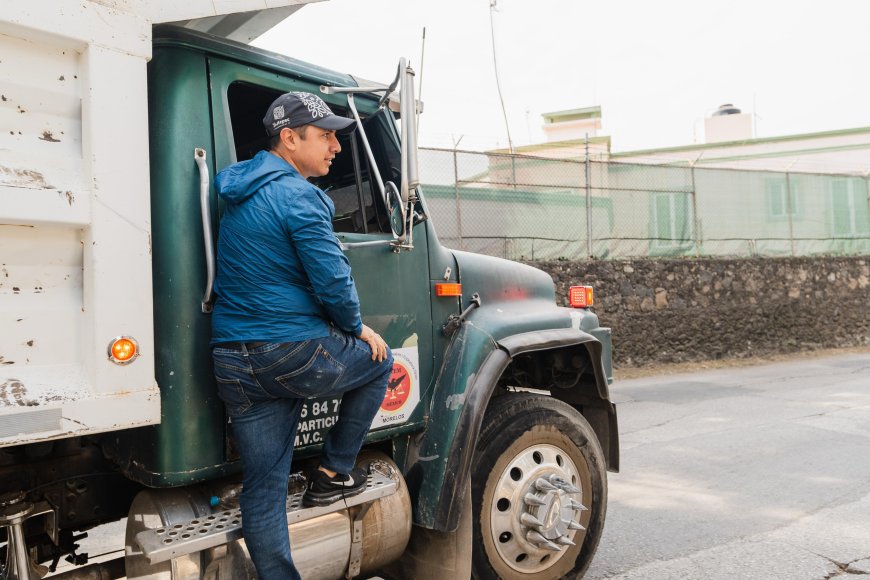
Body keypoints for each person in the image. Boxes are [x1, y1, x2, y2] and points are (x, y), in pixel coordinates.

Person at [209, 91, 393, 580]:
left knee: (264, 486)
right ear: (290, 139)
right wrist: (357, 328)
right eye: (326, 135)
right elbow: (333, 281)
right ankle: (333, 473)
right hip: (290, 352)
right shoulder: (300, 196)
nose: (336, 146)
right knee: (380, 361)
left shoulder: (237, 189)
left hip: (231, 356)